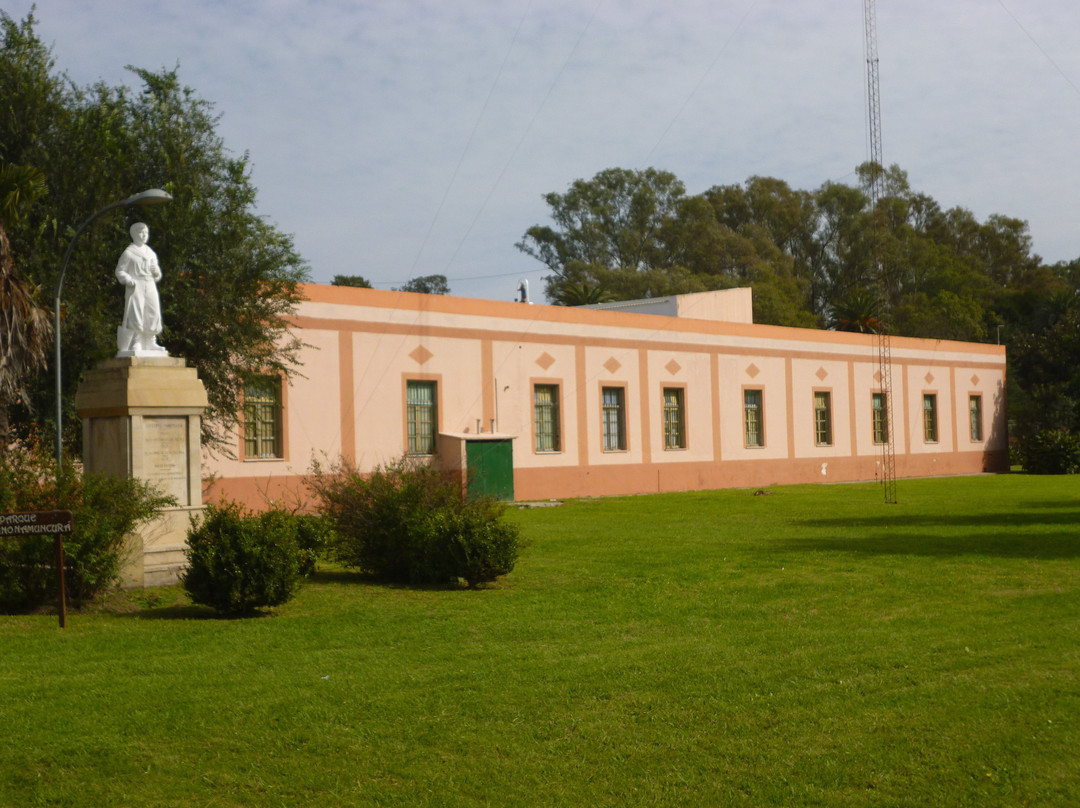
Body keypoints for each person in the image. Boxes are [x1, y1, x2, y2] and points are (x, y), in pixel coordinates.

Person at [115, 222, 167, 354]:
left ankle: (151, 340)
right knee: (136, 312)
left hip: (150, 284)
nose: (144, 235)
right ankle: (137, 341)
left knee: (153, 311)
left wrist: (156, 272)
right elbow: (120, 271)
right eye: (140, 232)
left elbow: (158, 275)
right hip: (136, 285)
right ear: (133, 234)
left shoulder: (151, 253)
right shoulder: (129, 253)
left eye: (146, 232)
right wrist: (128, 280)